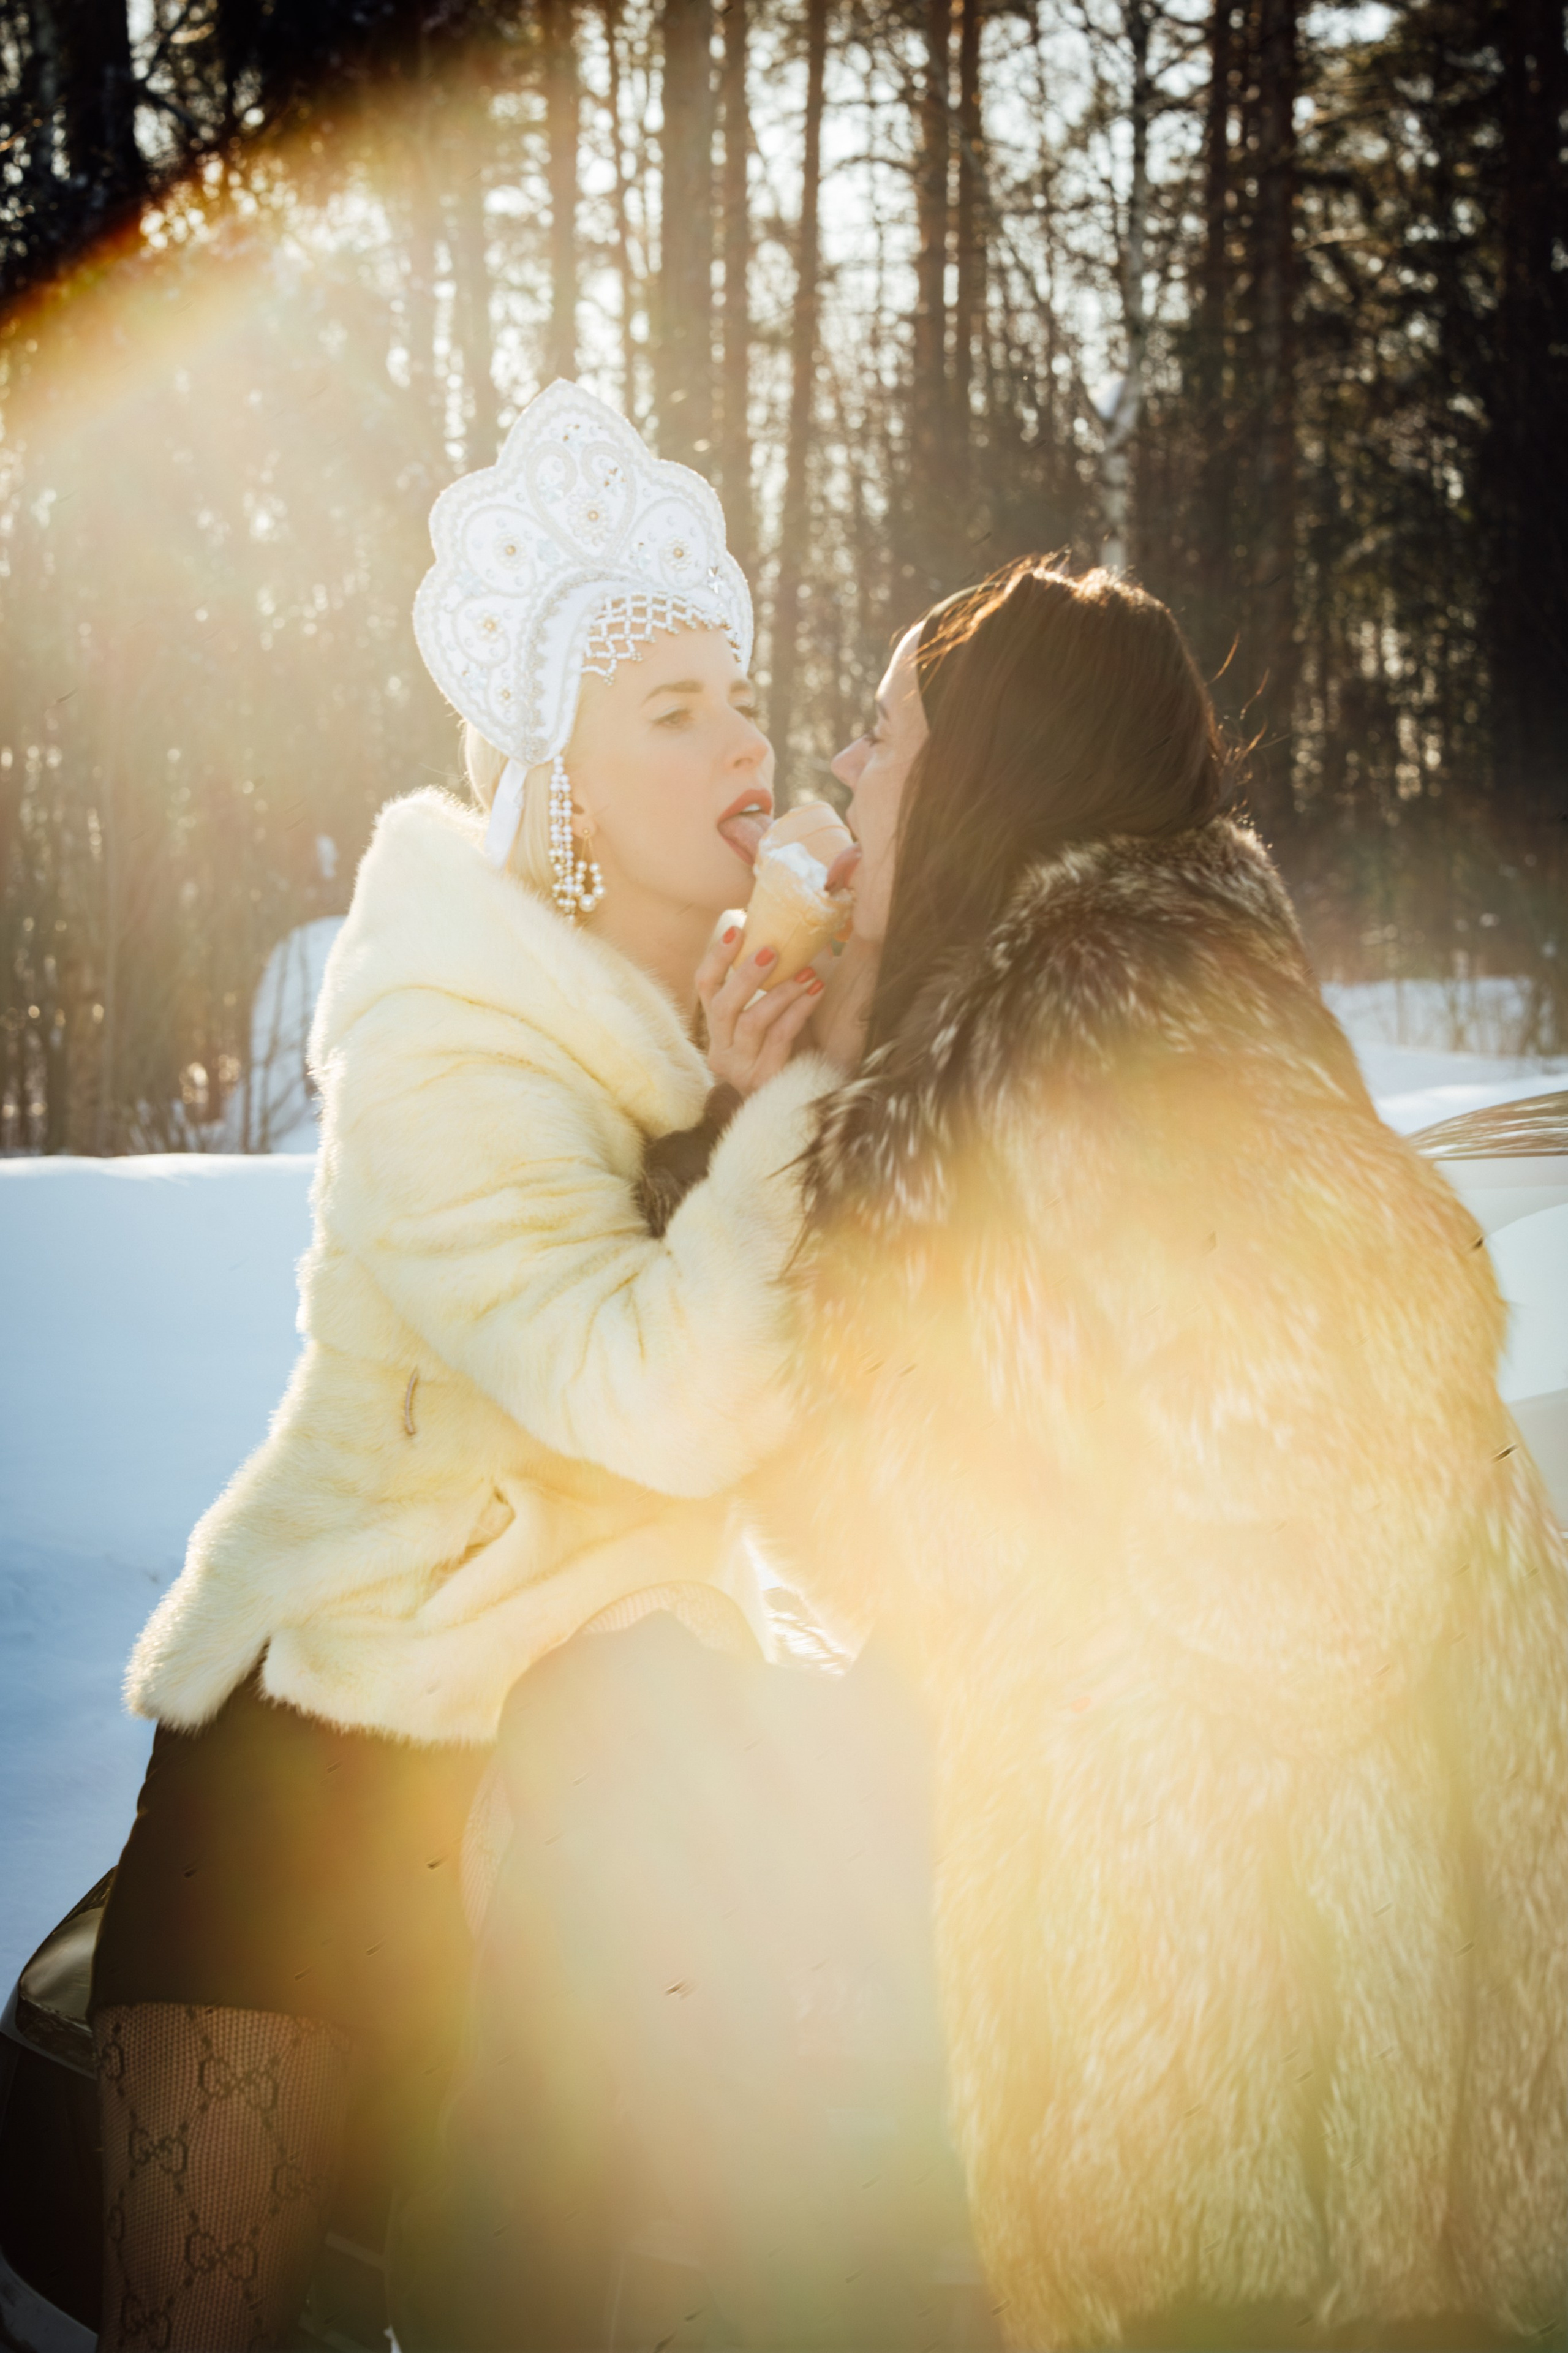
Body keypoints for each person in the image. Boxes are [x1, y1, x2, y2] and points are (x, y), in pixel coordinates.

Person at [85, 379, 835, 2352]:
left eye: (740, 690)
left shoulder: (754, 996)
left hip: (602, 1749)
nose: (746, 737)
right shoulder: (445, 1031)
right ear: (555, 797)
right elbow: (652, 1392)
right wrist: (781, 1122)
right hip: (329, 1744)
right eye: (672, 711)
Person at [753, 557, 1568, 2349]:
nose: (852, 774)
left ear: (983, 772)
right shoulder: (1033, 1016)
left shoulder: (1124, 998)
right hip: (1212, 2057)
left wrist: (1117, 1787)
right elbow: (919, 1517)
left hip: (1257, 2055)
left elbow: (1352, 1476)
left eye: (885, 737)